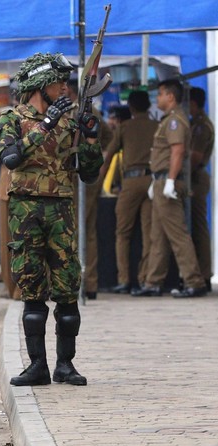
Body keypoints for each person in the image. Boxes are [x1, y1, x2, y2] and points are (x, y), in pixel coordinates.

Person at [0, 52, 103, 387]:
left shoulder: (72, 120)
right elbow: (11, 158)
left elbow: (89, 173)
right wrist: (46, 125)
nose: (65, 88)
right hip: (26, 211)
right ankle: (37, 365)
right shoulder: (11, 119)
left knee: (68, 287)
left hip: (61, 211)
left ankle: (65, 364)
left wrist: (91, 138)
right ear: (43, 86)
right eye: (60, 82)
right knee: (32, 288)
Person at [132, 79, 207, 298]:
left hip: (168, 181)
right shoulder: (169, 120)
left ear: (170, 96)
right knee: (158, 235)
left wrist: (171, 181)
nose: (157, 99)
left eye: (160, 95)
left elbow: (177, 151)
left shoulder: (175, 121)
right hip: (160, 180)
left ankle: (194, 281)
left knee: (177, 234)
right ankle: (153, 282)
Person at [99, 90, 158, 294]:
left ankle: (124, 279)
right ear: (149, 106)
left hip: (131, 181)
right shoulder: (156, 126)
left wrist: (98, 182)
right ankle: (144, 279)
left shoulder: (125, 127)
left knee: (123, 233)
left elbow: (109, 156)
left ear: (131, 107)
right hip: (152, 180)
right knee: (149, 233)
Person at [66, 78, 113, 299]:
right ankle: (87, 282)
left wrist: (97, 161)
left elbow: (109, 139)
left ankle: (85, 282)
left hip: (82, 176)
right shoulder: (79, 110)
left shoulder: (81, 111)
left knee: (79, 230)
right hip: (77, 176)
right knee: (85, 231)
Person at [189, 86, 213, 289]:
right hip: (193, 176)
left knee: (199, 225)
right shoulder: (195, 123)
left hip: (196, 176)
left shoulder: (201, 126)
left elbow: (195, 157)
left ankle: (204, 273)